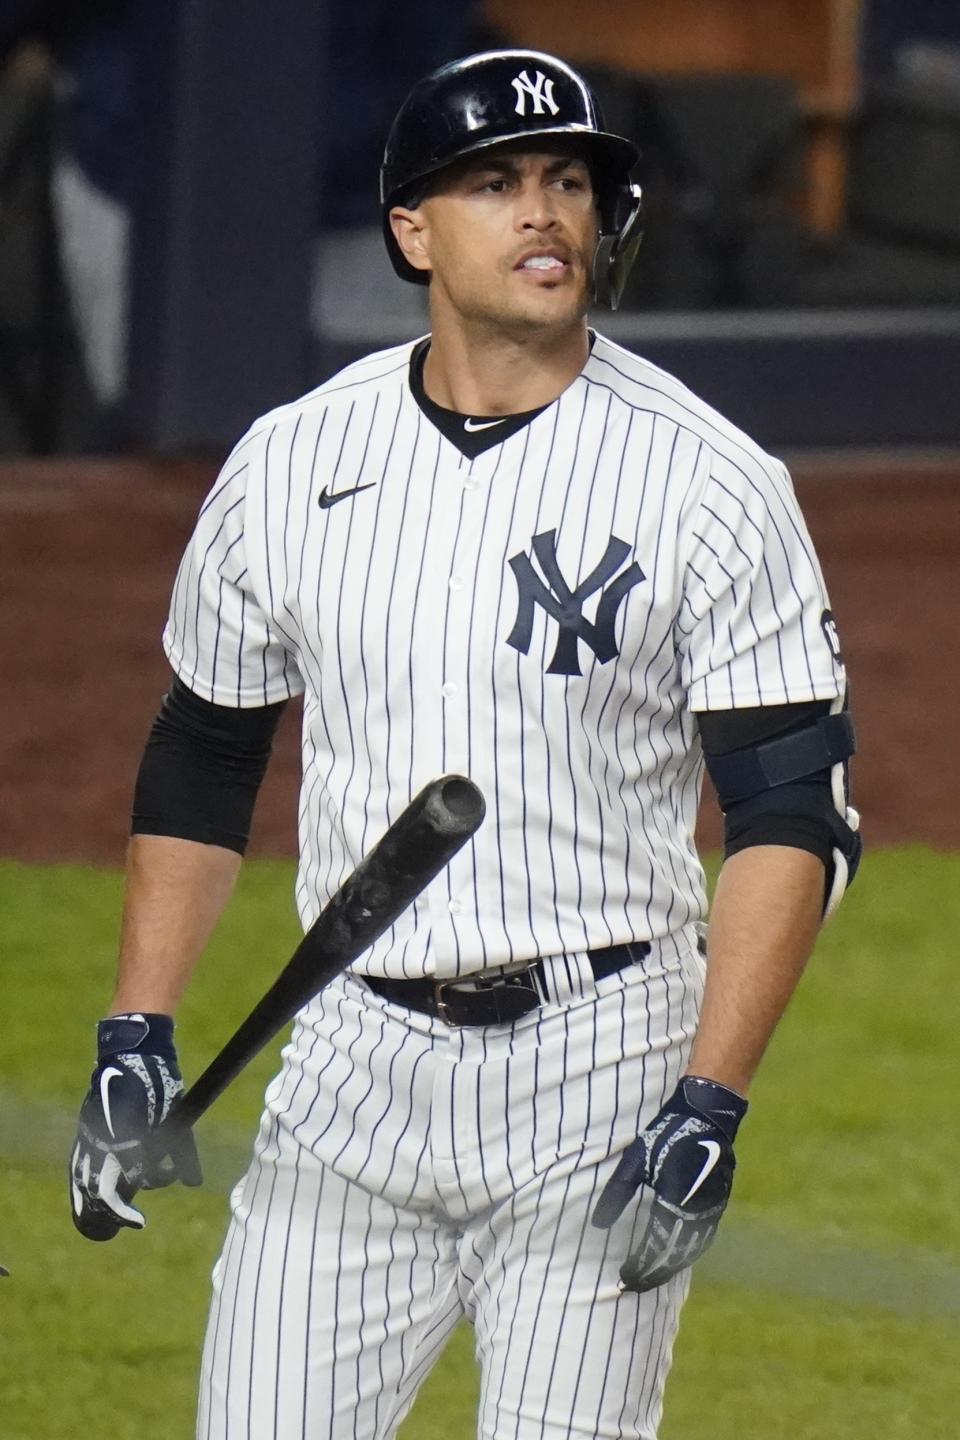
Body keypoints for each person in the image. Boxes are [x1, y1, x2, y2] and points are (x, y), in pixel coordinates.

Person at [69, 48, 861, 1440]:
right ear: (412, 233)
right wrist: (138, 1025)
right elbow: (205, 752)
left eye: (568, 181)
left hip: (599, 1067)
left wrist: (709, 1103)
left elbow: (789, 813)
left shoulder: (713, 484)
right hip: (347, 1064)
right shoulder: (289, 463)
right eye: (495, 183)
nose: (544, 209)